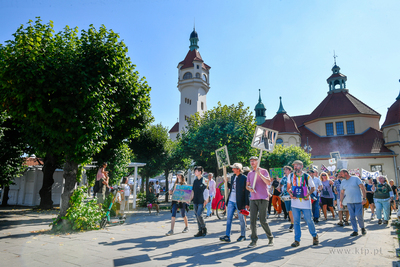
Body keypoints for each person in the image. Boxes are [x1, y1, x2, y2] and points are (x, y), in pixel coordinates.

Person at [287, 160, 318, 247]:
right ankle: (297, 240)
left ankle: (315, 236)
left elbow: (313, 188)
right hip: (294, 203)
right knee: (296, 221)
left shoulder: (307, 176)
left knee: (309, 220)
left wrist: (308, 194)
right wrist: (290, 194)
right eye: (294, 166)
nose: (295, 167)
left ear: (301, 166)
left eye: (297, 165)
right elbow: (288, 188)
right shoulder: (291, 175)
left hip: (305, 202)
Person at [246, 156, 274, 248]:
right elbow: (247, 186)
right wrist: (249, 188)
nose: (252, 163)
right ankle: (253, 240)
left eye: (253, 161)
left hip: (263, 198)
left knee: (263, 220)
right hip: (253, 198)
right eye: (251, 161)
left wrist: (259, 174)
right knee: (252, 221)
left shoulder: (264, 171)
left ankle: (270, 238)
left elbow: (268, 182)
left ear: (258, 162)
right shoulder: (250, 173)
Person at [219, 163, 249, 242]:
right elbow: (232, 187)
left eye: (234, 168)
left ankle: (243, 235)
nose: (232, 170)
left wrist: (247, 203)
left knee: (241, 219)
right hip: (231, 201)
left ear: (238, 169)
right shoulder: (233, 177)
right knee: (229, 219)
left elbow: (246, 191)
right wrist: (226, 183)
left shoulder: (244, 178)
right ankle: (227, 236)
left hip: (240, 202)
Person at [339, 169, 367, 236]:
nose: (340, 175)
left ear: (346, 173)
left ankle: (362, 228)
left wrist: (364, 198)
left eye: (341, 174)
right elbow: (342, 192)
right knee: (352, 217)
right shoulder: (343, 182)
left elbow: (362, 188)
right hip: (349, 202)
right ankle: (355, 230)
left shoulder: (355, 178)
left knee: (359, 215)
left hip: (358, 201)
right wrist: (341, 201)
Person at [166, 171, 189, 235]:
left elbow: (185, 194)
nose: (178, 176)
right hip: (175, 201)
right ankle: (171, 230)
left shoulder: (184, 183)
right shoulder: (175, 183)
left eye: (179, 175)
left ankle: (187, 227)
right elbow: (174, 192)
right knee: (173, 215)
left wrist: (181, 199)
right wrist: (170, 192)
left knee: (183, 214)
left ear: (182, 176)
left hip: (182, 202)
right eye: (177, 175)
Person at [191, 166, 209, 237]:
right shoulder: (195, 181)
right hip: (195, 200)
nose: (195, 172)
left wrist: (206, 200)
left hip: (202, 200)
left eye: (196, 171)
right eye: (195, 171)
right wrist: (189, 199)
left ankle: (204, 228)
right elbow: (193, 191)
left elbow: (207, 191)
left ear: (200, 172)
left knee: (199, 214)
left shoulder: (205, 180)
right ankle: (200, 230)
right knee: (196, 215)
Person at [279, 165, 294, 231]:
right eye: (284, 170)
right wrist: (279, 187)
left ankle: (293, 224)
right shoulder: (284, 178)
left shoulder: (293, 177)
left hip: (292, 195)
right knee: (289, 210)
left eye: (286, 170)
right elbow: (281, 184)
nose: (285, 171)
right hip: (285, 195)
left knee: (292, 210)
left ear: (290, 170)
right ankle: (292, 223)